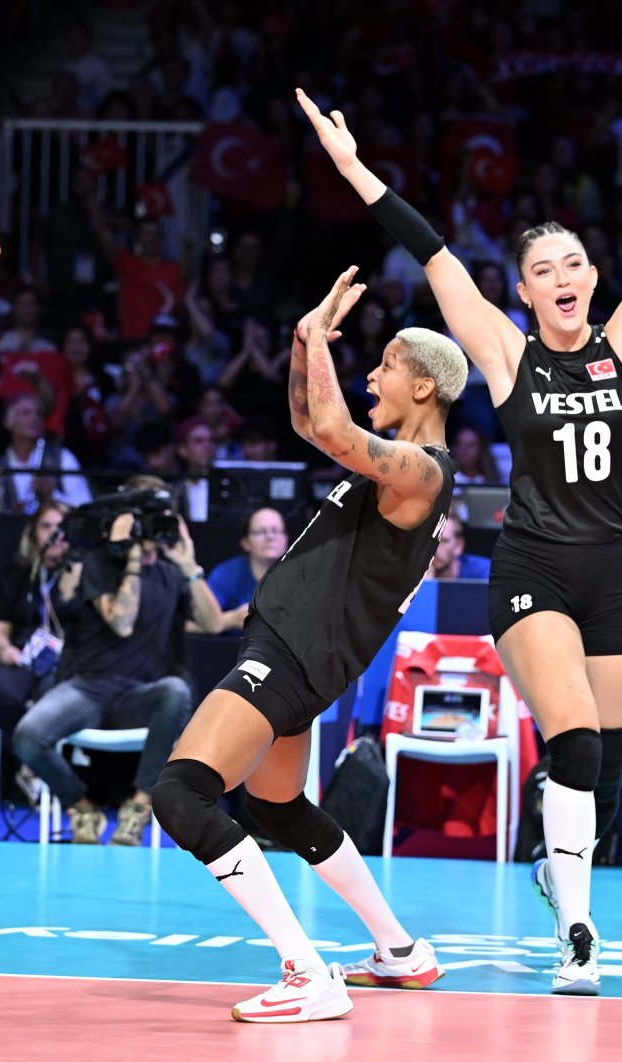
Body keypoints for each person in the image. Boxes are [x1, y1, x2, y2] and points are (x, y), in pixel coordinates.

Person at [301, 37, 622, 995]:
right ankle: (577, 935)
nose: (563, 274)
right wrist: (355, 171)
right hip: (536, 569)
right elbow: (433, 255)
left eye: (575, 261)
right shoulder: (507, 358)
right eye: (544, 266)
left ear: (590, 277)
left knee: (613, 756)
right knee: (577, 740)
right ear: (524, 289)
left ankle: (560, 872)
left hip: (614, 571)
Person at [150, 268, 464, 1023]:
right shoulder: (393, 463)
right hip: (298, 650)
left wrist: (319, 343)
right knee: (278, 808)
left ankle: (305, 970)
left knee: (180, 794)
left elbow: (327, 428)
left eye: (385, 365)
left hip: (291, 651)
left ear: (423, 387)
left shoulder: (422, 472)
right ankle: (400, 951)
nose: (370, 374)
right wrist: (303, 343)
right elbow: (309, 421)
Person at [12, 476, 224, 846]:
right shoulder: (100, 561)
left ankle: (138, 808)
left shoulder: (173, 570)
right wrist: (129, 557)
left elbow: (213, 623)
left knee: (175, 690)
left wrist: (189, 565)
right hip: (88, 688)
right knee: (28, 737)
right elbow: (122, 623)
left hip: (139, 696)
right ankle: (82, 807)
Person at [0, 503, 81, 756]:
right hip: (25, 656)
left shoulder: (83, 574)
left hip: (69, 659)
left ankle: (45, 761)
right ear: (33, 532)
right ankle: (26, 756)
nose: (53, 534)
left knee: (56, 692)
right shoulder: (18, 574)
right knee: (0, 686)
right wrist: (4, 649)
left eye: (60, 527)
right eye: (46, 526)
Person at [0, 392, 92, 514]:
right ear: (8, 421)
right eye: (26, 413)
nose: (34, 418)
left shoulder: (62, 458)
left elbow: (85, 505)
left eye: (38, 414)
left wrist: (53, 495)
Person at [202, 507, 289, 633]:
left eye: (277, 531)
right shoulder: (226, 574)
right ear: (246, 542)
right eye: (261, 532)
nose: (270, 537)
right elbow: (195, 623)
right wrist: (230, 620)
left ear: (286, 539)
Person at [429, 493, 491, 580]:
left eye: (443, 541)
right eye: (428, 541)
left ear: (459, 546)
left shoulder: (483, 572)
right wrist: (426, 585)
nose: (434, 549)